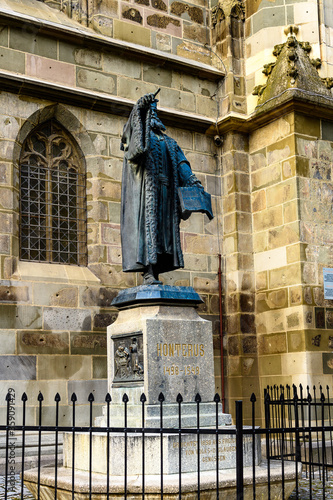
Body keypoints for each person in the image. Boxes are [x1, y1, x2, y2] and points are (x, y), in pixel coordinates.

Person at [120, 91, 207, 285]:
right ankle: (149, 271)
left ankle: (157, 269)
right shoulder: (141, 138)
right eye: (149, 113)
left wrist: (193, 182)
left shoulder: (169, 142)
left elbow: (181, 164)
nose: (153, 115)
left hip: (167, 195)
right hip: (147, 194)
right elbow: (135, 148)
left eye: (154, 112)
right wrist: (138, 108)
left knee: (164, 234)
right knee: (148, 230)